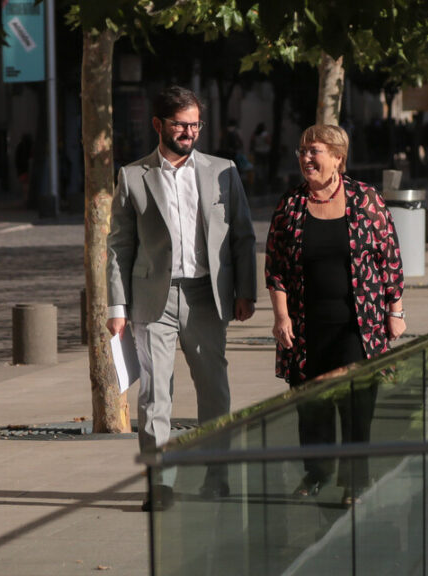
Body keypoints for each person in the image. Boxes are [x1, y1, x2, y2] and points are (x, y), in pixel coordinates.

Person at [106, 86, 257, 511]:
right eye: (180, 124)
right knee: (155, 395)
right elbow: (119, 245)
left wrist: (246, 291)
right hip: (152, 298)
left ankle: (218, 476)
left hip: (206, 296)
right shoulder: (133, 175)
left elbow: (243, 237)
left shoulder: (223, 171)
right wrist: (116, 307)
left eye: (195, 124)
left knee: (214, 390)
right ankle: (160, 484)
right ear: (158, 125)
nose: (189, 132)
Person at [265, 124, 406, 507]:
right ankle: (317, 472)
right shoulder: (291, 205)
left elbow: (390, 259)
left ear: (338, 158)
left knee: (356, 405)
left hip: (358, 325)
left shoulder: (366, 199)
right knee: (310, 404)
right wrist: (281, 317)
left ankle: (356, 479)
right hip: (306, 325)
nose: (306, 158)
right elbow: (275, 267)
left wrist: (396, 311)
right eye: (303, 150)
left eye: (315, 151)